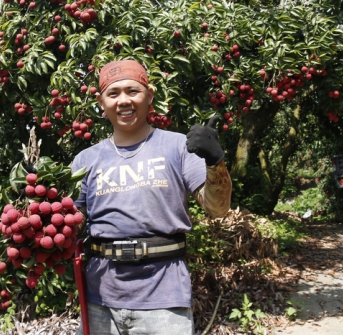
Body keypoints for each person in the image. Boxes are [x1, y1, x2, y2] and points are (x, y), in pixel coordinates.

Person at [72, 59, 232, 335]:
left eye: (132, 91)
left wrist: (215, 161)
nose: (123, 100)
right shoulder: (86, 160)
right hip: (100, 300)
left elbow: (217, 209)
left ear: (150, 95)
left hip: (165, 300)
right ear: (101, 102)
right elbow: (71, 225)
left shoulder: (179, 146)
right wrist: (44, 196)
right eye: (113, 93)